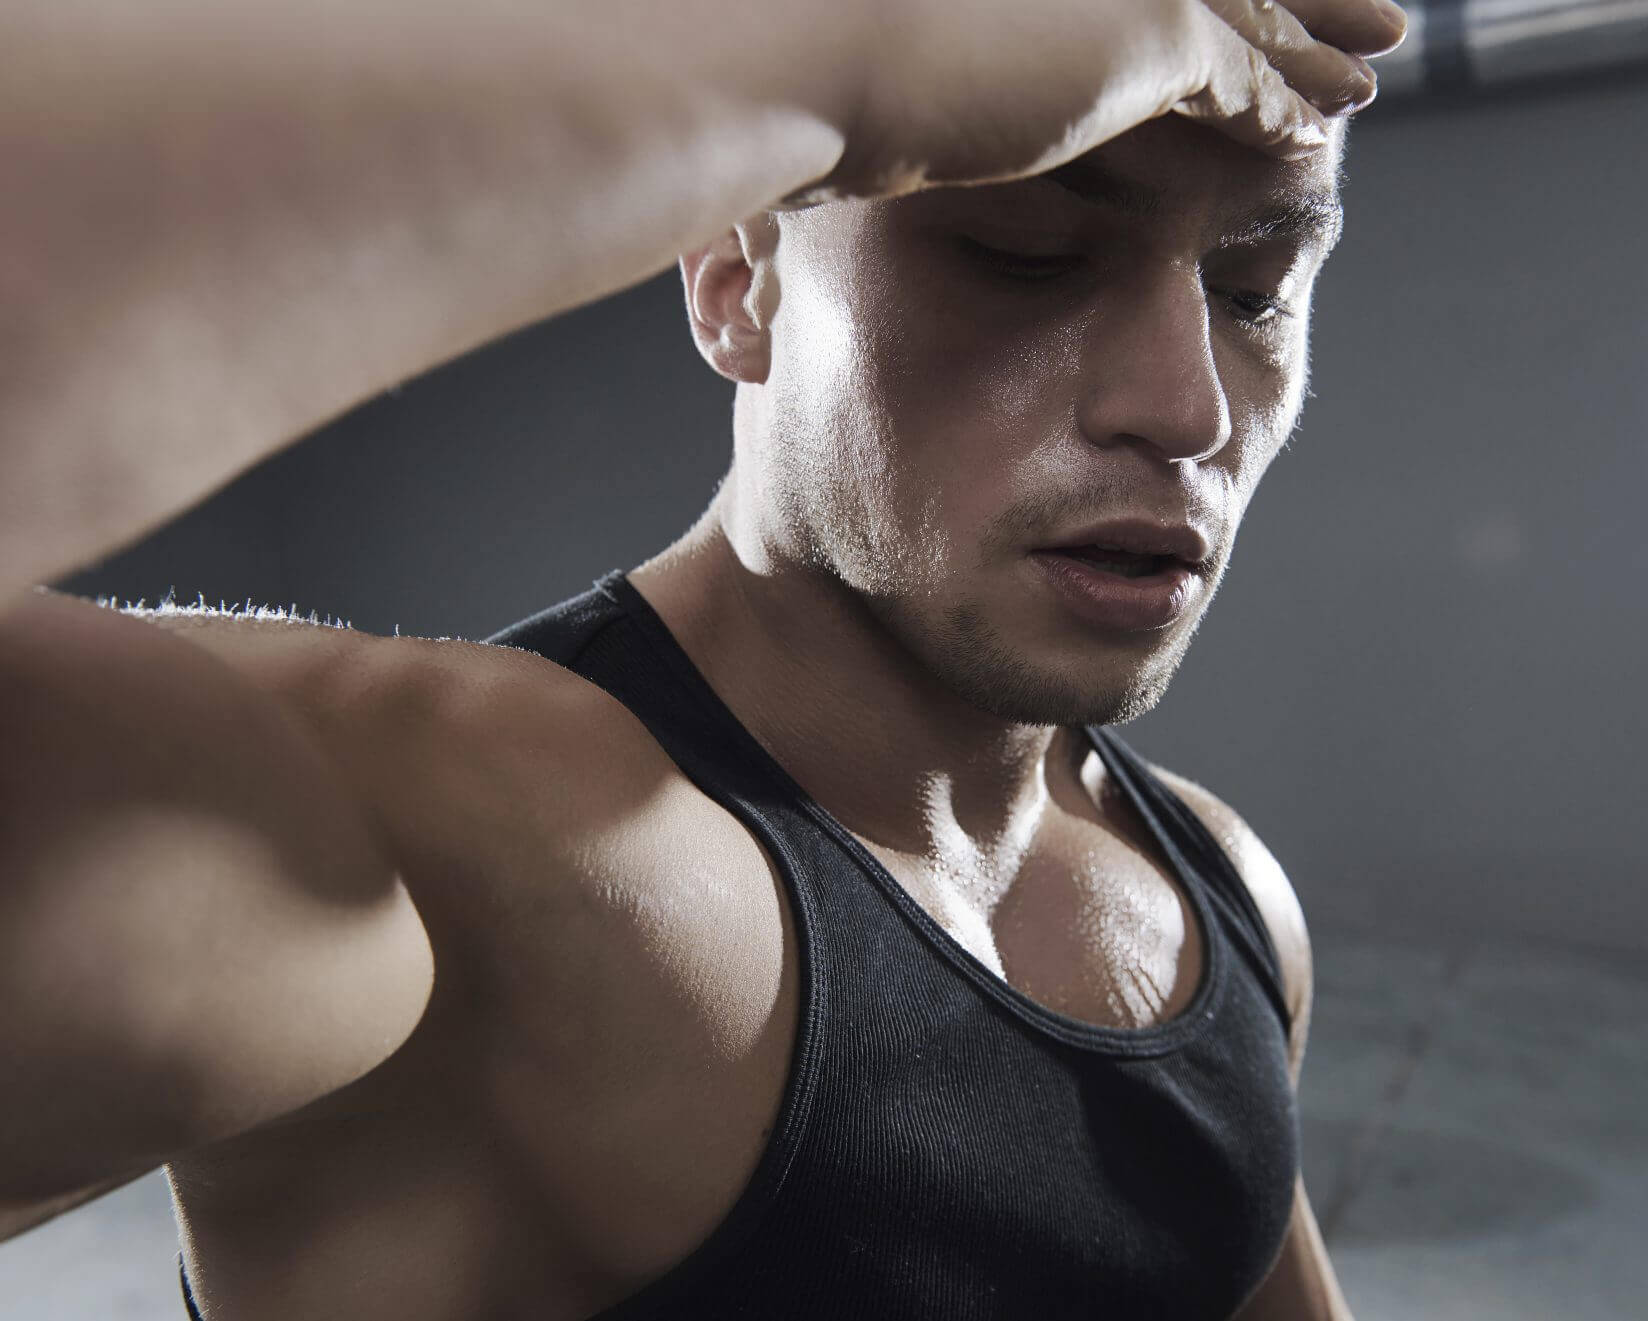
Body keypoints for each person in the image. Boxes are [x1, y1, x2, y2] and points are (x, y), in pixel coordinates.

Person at [0, 0, 1407, 1315]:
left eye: (1257, 286)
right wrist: (816, 66)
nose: (1187, 407)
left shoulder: (1221, 890)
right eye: (1024, 253)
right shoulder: (468, 842)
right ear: (739, 278)